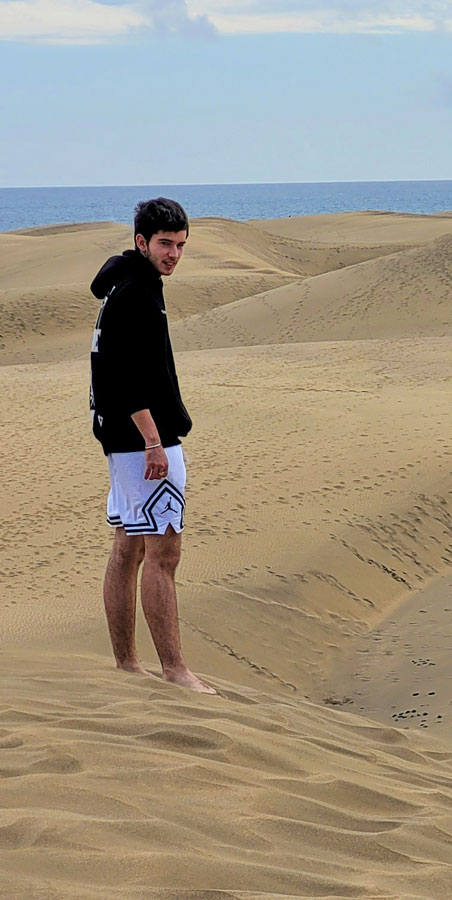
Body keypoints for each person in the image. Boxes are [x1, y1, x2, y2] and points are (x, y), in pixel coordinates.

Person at [89, 197, 216, 694]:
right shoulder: (137, 293)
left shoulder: (123, 285)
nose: (174, 254)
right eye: (165, 244)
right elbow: (126, 377)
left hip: (123, 442)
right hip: (144, 443)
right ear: (141, 241)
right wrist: (154, 443)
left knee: (128, 546)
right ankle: (175, 671)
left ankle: (127, 664)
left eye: (181, 245)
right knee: (163, 551)